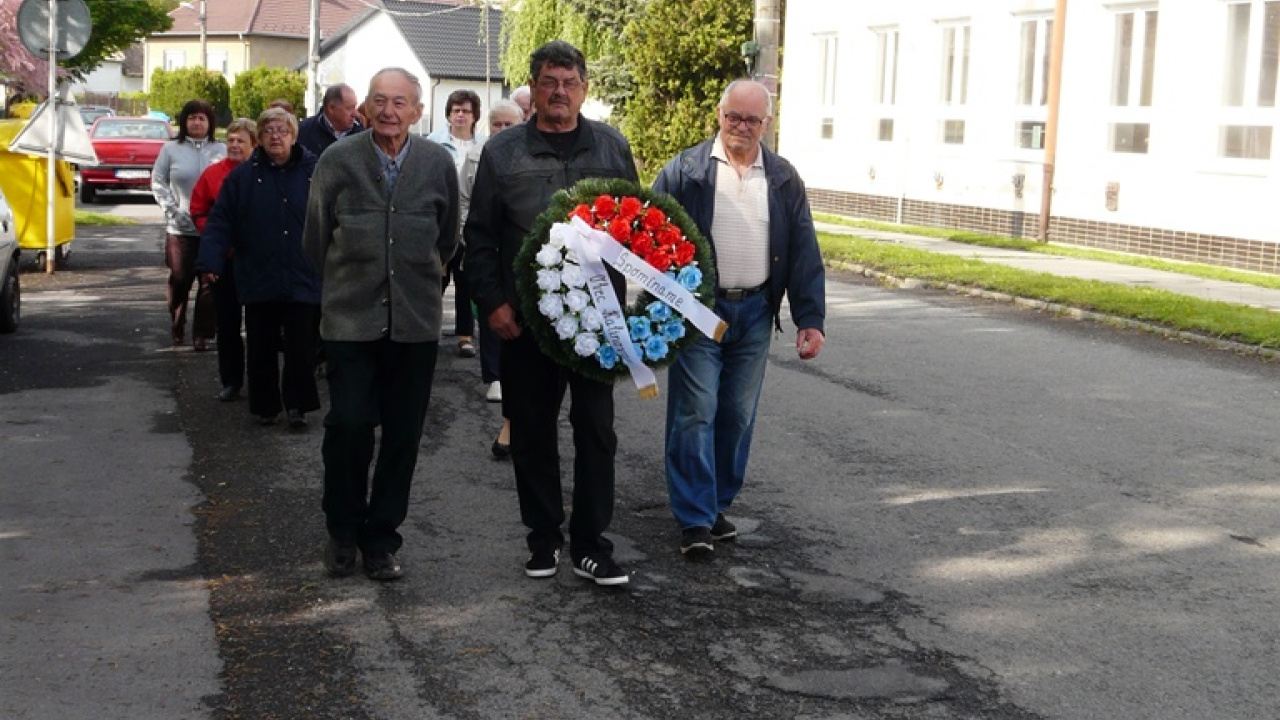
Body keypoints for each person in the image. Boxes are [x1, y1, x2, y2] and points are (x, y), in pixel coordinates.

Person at [466, 40, 638, 587]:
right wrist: (492, 303)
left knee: (596, 432)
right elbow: (481, 238)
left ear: (584, 89)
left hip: (596, 324)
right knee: (533, 431)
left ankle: (592, 545)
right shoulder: (503, 154)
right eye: (548, 82)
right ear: (534, 89)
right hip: (527, 325)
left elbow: (636, 229)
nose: (559, 92)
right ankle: (543, 540)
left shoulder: (612, 148)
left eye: (569, 82)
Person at [652, 79, 827, 558]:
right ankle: (693, 519)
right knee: (695, 410)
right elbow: (650, 237)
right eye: (734, 117)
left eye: (752, 119)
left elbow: (804, 251)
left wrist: (810, 317)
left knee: (736, 413)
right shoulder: (685, 171)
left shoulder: (783, 178)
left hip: (754, 312)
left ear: (766, 124)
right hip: (699, 311)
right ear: (719, 114)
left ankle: (714, 503)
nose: (741, 127)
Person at [303, 68, 459, 582]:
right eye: (379, 101)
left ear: (418, 111)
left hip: (413, 324)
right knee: (347, 424)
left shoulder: (438, 164)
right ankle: (342, 531)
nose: (389, 111)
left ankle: (381, 539)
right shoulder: (337, 161)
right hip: (350, 320)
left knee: (402, 436)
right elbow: (315, 239)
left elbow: (448, 239)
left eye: (400, 102)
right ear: (363, 109)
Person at [197, 108, 322, 430]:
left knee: (300, 345)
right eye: (268, 131)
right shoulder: (242, 176)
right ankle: (266, 406)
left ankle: (297, 406)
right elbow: (220, 220)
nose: (275, 136)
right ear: (260, 138)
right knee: (261, 344)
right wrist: (210, 261)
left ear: (294, 135)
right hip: (258, 270)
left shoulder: (315, 171)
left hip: (302, 269)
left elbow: (336, 215)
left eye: (282, 130)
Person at [458, 98, 522, 457]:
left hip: (526, 260)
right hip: (488, 253)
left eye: (508, 125)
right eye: (495, 125)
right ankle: (495, 378)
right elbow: (464, 202)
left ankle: (517, 421)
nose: (501, 131)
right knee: (494, 318)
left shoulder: (531, 154)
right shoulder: (476, 157)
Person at [189, 117, 257, 402]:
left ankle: (260, 382)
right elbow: (199, 209)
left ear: (255, 144)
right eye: (230, 140)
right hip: (225, 260)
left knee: (257, 326)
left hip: (255, 260)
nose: (234, 145)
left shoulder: (262, 174)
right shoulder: (213, 174)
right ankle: (231, 381)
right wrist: (217, 237)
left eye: (241, 140)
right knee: (227, 324)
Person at [152, 99, 225, 350]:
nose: (196, 122)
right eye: (192, 118)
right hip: (180, 228)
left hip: (211, 229)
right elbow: (158, 182)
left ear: (210, 123)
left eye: (202, 118)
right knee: (181, 277)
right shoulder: (170, 150)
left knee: (209, 283)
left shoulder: (221, 149)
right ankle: (177, 320)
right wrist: (171, 210)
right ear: (184, 122)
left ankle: (202, 333)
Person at [427, 89, 484, 359]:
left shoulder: (483, 146)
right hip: (440, 223)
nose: (460, 115)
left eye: (466, 111)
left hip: (470, 224)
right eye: (455, 110)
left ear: (475, 116)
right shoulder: (433, 143)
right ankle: (426, 331)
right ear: (448, 114)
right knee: (434, 280)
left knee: (466, 282)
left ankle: (465, 336)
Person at [296, 83, 363, 157]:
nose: (355, 114)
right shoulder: (303, 131)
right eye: (349, 108)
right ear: (331, 108)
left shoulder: (362, 134)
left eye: (354, 107)